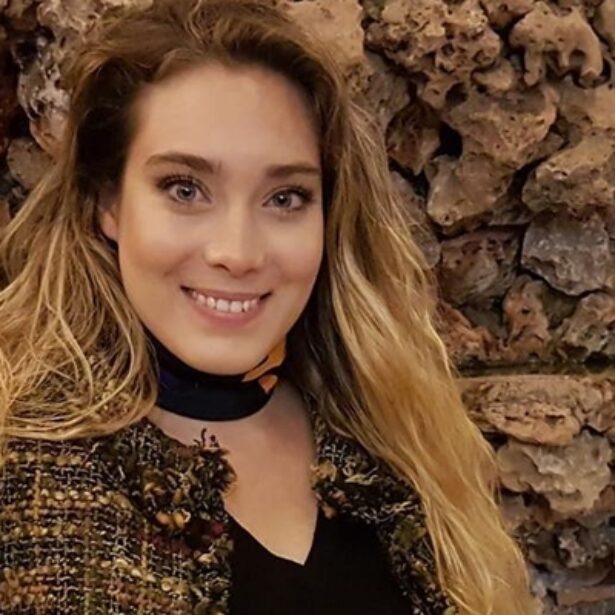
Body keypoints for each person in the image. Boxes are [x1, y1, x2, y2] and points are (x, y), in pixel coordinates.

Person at [0, 1, 536, 613]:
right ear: (108, 204)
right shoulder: (20, 471)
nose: (238, 253)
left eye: (284, 197)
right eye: (184, 189)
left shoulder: (397, 441)